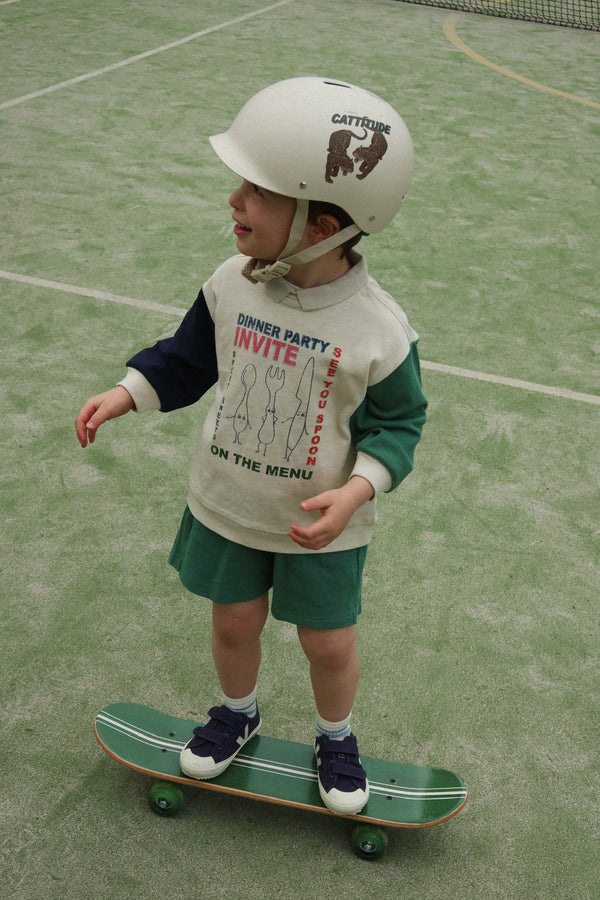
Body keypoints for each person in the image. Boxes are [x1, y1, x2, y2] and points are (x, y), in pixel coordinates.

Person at [75, 76, 427, 816]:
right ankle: (237, 713)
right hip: (229, 503)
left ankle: (337, 736)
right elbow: (187, 359)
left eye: (258, 191)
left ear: (325, 220)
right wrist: (128, 391)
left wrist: (358, 490)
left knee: (327, 644)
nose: (235, 200)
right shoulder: (230, 284)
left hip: (320, 527)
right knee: (233, 621)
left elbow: (398, 427)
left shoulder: (381, 330)